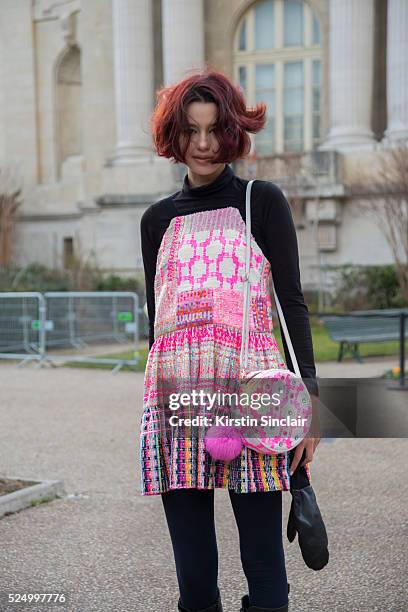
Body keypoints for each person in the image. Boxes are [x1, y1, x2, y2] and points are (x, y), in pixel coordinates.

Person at [140, 68, 320, 612]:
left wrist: (309, 404)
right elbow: (160, 321)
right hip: (181, 402)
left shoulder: (261, 202)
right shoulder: (156, 220)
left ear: (234, 132)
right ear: (174, 135)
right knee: (194, 585)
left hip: (253, 400)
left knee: (267, 579)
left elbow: (291, 303)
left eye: (214, 129)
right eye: (190, 130)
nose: (202, 143)